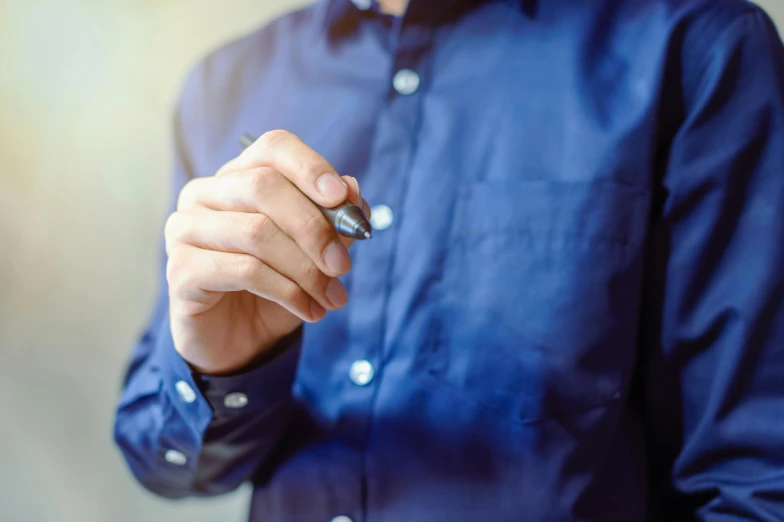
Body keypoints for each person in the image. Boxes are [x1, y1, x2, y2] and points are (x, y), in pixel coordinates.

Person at [113, 0, 784, 519]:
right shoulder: (224, 85)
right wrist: (220, 369)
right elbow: (165, 461)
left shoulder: (699, 49)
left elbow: (758, 478)